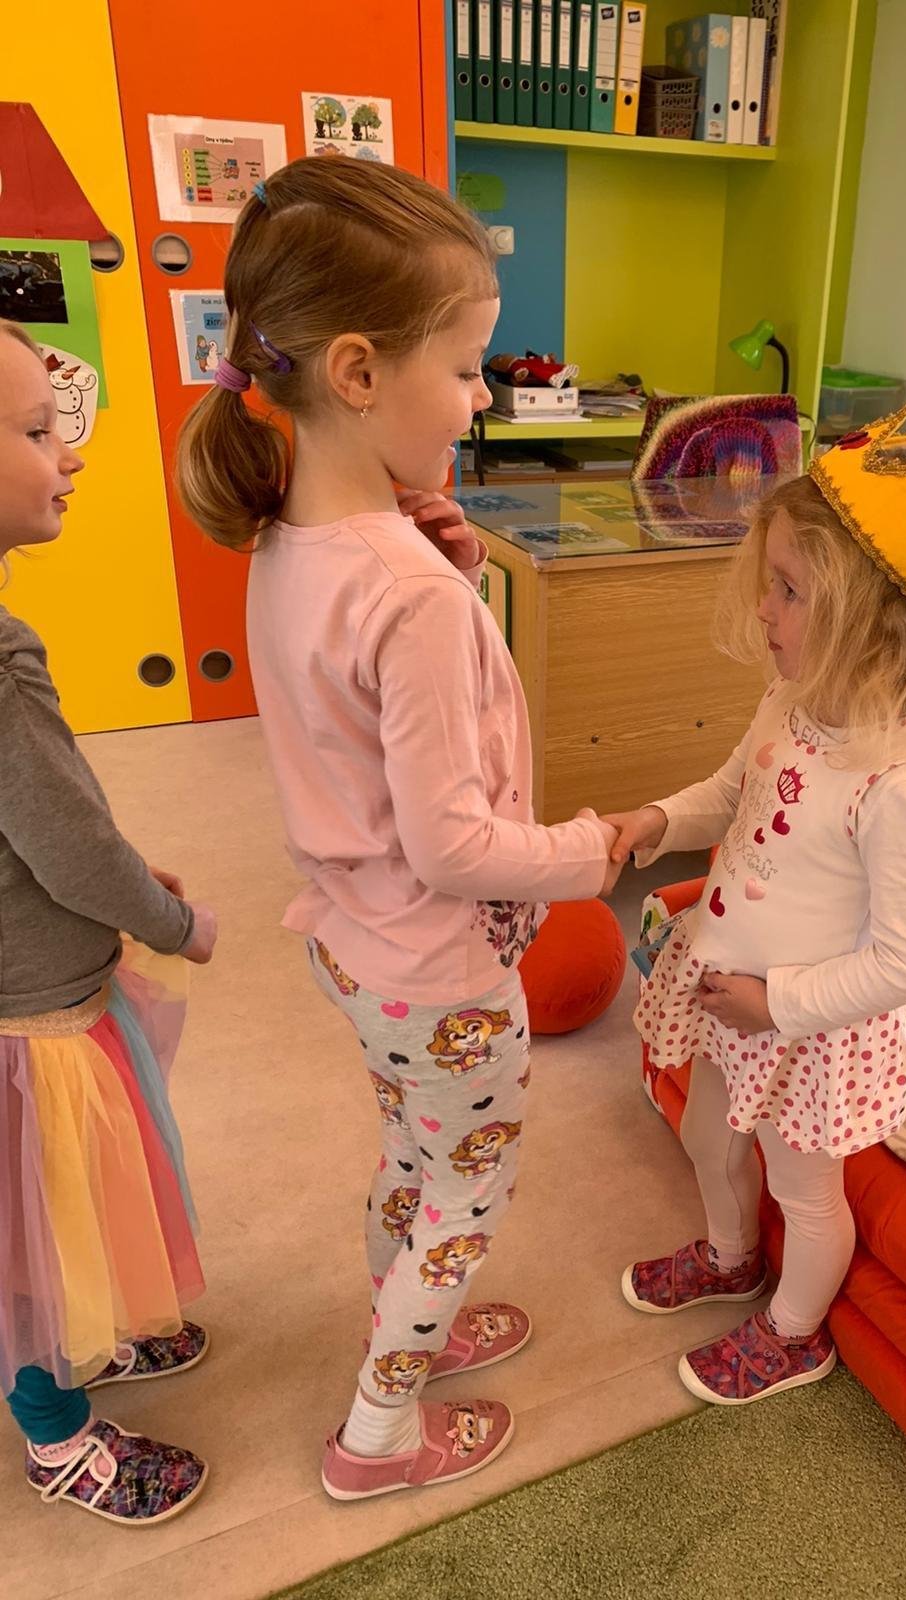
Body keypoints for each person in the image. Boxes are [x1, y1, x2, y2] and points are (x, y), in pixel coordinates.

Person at [176, 158, 620, 1500]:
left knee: (418, 1159)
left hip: (358, 949)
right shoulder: (403, 590)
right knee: (465, 1197)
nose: (485, 396)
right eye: (471, 367)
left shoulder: (292, 540)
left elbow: (370, 719)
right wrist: (606, 843)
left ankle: (403, 1322)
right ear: (360, 372)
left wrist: (453, 569)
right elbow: (453, 845)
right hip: (440, 970)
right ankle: (380, 1433)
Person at [603, 408, 906, 1406]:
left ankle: (794, 1336)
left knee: (806, 1190)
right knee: (705, 1137)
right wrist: (656, 820)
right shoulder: (789, 704)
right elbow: (730, 792)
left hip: (813, 1028)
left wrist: (777, 1003)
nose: (764, 609)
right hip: (730, 989)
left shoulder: (904, 787)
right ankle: (731, 1257)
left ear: (867, 624)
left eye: (788, 590)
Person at [0, 318, 218, 1523]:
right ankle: (56, 1433)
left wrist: (120, 877)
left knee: (59, 1223)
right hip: (26, 1022)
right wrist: (170, 919)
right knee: (35, 1234)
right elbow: (69, 847)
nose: (71, 454)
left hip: (29, 987)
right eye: (39, 431)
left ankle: (92, 1334)